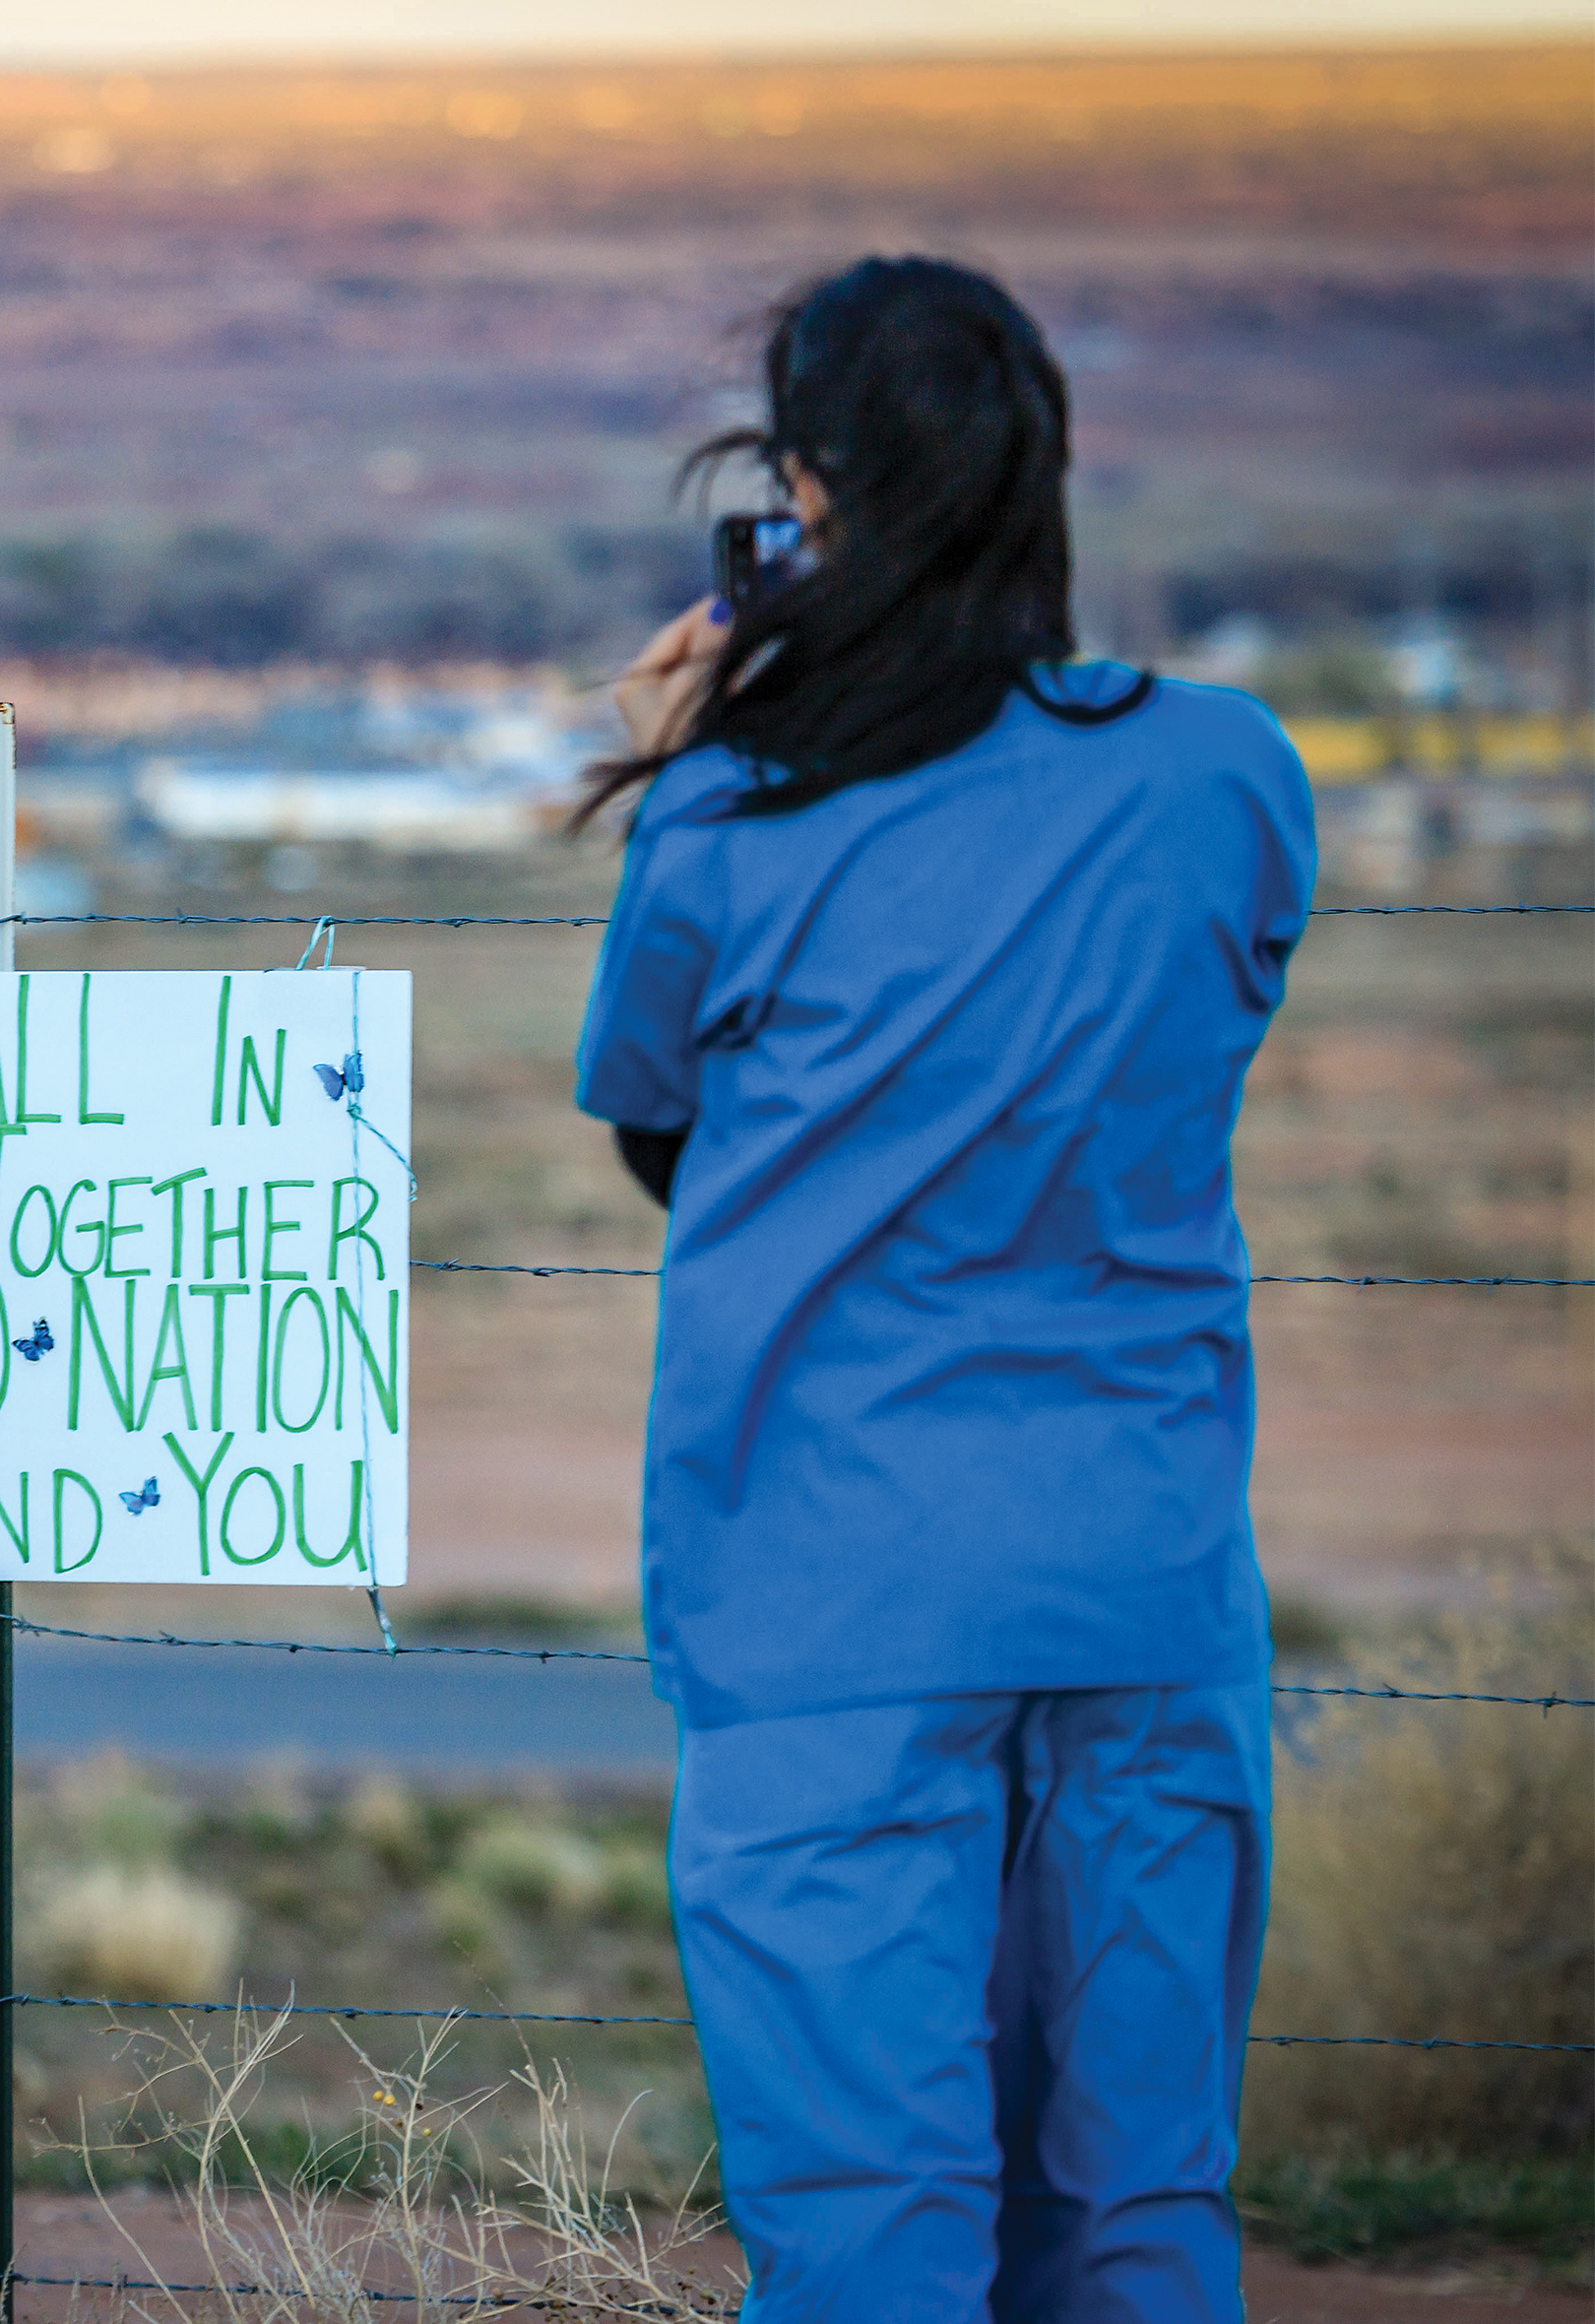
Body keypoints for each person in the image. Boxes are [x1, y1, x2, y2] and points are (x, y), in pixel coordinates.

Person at [570, 256, 1316, 2321]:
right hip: (1147, 1590)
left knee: (873, 2232)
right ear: (1036, 478)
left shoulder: (731, 815)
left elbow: (661, 1124)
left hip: (830, 1614)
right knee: (1140, 2215)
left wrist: (703, 754)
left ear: (805, 500)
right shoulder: (1227, 776)